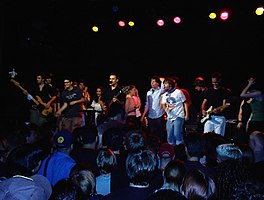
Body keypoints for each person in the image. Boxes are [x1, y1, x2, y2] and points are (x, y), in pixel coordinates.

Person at [201, 72, 231, 137]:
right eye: (213, 82)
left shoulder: (224, 91)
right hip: (209, 117)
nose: (214, 84)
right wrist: (203, 110)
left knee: (218, 137)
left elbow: (224, 105)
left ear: (219, 80)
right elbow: (204, 102)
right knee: (206, 136)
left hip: (219, 118)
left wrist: (220, 110)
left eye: (216, 82)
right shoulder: (209, 91)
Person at [161, 77, 189, 146]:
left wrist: (187, 114)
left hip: (178, 116)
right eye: (163, 84)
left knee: (177, 134)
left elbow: (185, 102)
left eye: (165, 84)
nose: (164, 85)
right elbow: (163, 104)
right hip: (170, 117)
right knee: (169, 135)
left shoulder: (178, 92)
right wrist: (166, 109)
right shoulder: (165, 95)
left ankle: (180, 150)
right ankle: (172, 151)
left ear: (170, 85)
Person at [140, 75, 166, 142]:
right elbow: (147, 105)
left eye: (154, 82)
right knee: (151, 134)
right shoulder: (148, 92)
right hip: (151, 116)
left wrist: (159, 79)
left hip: (159, 115)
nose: (152, 83)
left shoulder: (160, 90)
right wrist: (143, 116)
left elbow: (163, 81)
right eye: (151, 82)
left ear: (157, 83)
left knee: (160, 133)